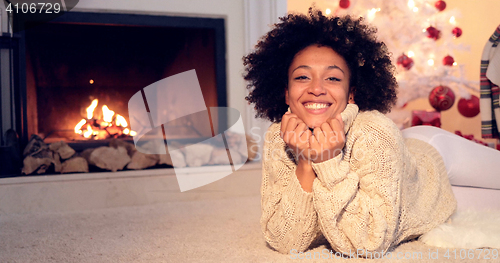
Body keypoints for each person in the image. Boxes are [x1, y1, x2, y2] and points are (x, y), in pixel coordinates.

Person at [242, 9, 459, 255]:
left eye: (333, 78)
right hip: (401, 159)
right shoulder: (277, 137)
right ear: (286, 93)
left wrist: (328, 161)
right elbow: (285, 240)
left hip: (432, 161)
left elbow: (370, 244)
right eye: (302, 76)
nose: (316, 88)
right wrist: (305, 162)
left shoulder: (374, 131)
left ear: (351, 93)